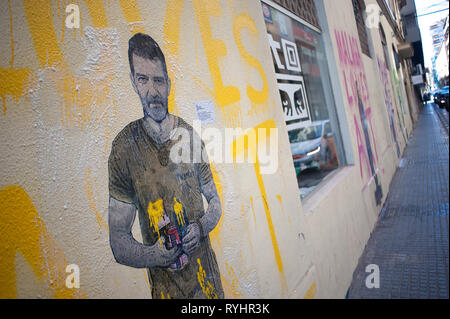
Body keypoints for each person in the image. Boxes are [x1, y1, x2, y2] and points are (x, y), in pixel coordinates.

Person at [108, 33, 224, 299]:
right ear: (133, 82)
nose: (152, 91)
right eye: (143, 79)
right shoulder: (124, 149)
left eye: (158, 80)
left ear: (169, 84)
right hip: (166, 291)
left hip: (209, 287)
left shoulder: (189, 136)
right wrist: (154, 254)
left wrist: (201, 227)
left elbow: (215, 201)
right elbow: (118, 240)